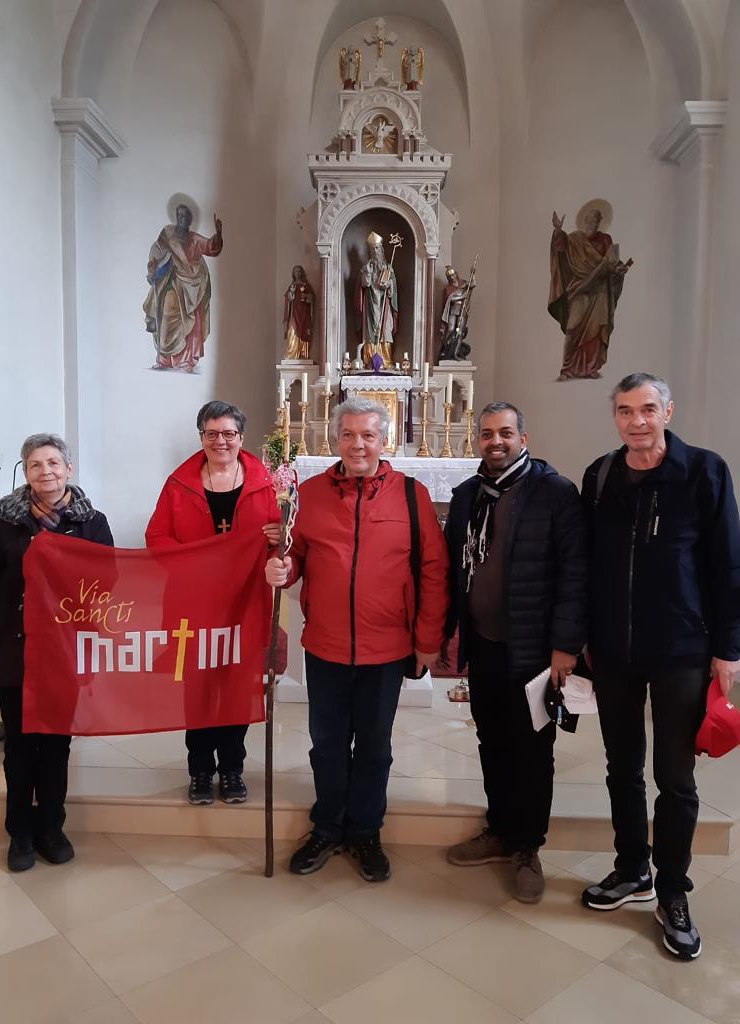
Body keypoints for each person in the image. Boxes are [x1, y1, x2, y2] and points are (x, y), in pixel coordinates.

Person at [580, 373, 740, 960]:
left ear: (667, 412)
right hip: (613, 651)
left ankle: (673, 890)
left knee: (674, 777)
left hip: (681, 648)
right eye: (625, 411)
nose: (637, 421)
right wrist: (582, 637)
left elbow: (727, 564)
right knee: (621, 767)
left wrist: (729, 648)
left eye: (647, 409)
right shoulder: (600, 476)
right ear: (615, 417)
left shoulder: (704, 471)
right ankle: (632, 870)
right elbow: (588, 564)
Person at [265, 397, 448, 882]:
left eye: (368, 435)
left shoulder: (411, 495)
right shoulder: (310, 494)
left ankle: (365, 830)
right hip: (325, 645)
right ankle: (327, 826)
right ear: (335, 440)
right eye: (348, 435)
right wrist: (283, 568)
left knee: (373, 747)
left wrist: (427, 640)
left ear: (383, 440)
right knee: (326, 745)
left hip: (386, 648)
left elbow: (433, 570)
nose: (358, 444)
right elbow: (295, 555)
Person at [443, 402, 587, 903]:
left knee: (532, 750)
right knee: (492, 740)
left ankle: (528, 846)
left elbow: (575, 574)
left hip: (534, 651)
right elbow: (453, 571)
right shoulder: (468, 495)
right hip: (484, 644)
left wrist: (565, 646)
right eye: (487, 434)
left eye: (505, 432)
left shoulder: (554, 492)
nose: (496, 442)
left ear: (523, 438)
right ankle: (501, 830)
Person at [0, 434, 113, 872]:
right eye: (35, 464)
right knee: (19, 744)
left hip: (65, 649)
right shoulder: (4, 520)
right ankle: (20, 832)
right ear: (26, 473)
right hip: (15, 648)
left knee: (55, 743)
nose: (45, 471)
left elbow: (108, 581)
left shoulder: (92, 521)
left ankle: (52, 827)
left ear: (68, 469)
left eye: (53, 462)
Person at [146, 401, 280, 806]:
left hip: (244, 603)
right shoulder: (179, 483)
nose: (220, 441)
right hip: (193, 604)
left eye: (228, 433)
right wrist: (195, 563)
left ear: (241, 437)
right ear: (201, 436)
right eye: (211, 433)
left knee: (238, 687)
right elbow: (157, 538)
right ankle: (201, 770)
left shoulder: (266, 483)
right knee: (198, 689)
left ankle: (233, 768)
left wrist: (278, 538)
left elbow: (283, 539)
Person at [548, 205, 630, 381]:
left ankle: (591, 367)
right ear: (585, 221)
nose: (594, 223)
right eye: (591, 219)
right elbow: (561, 249)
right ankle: (567, 368)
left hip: (600, 291)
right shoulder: (575, 239)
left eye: (597, 220)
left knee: (597, 329)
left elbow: (612, 262)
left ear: (600, 222)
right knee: (572, 327)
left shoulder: (606, 239)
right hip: (580, 288)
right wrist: (558, 231)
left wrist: (619, 270)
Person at [143, 202, 223, 372]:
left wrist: (219, 235)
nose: (181, 219)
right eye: (179, 216)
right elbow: (156, 251)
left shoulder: (194, 239)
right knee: (166, 313)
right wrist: (155, 267)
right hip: (171, 282)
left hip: (192, 286)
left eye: (185, 216)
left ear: (190, 220)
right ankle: (165, 359)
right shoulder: (168, 235)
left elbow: (211, 247)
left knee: (192, 319)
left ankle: (186, 360)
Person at [356, 231, 398, 367]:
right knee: (370, 330)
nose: (375, 252)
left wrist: (389, 284)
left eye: (377, 249)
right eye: (372, 249)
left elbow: (394, 288)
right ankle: (369, 360)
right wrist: (367, 275)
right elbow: (363, 285)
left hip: (384, 304)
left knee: (385, 329)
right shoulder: (367, 268)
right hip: (370, 304)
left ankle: (385, 360)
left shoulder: (388, 268)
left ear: (382, 250)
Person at [438, 264, 475, 361]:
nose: (452, 277)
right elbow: (450, 299)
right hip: (453, 310)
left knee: (460, 331)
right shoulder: (448, 288)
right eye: (449, 276)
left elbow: (472, 284)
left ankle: (455, 353)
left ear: (456, 274)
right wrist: (462, 297)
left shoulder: (463, 283)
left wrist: (473, 274)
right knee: (450, 330)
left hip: (462, 309)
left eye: (453, 275)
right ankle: (446, 350)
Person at [283, 265, 315, 360]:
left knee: (303, 330)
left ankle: (302, 353)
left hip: (303, 313)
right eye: (296, 271)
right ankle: (292, 353)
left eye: (299, 271)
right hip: (293, 313)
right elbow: (287, 297)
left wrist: (306, 297)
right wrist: (291, 294)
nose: (297, 273)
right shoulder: (292, 286)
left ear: (302, 273)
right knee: (292, 330)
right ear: (293, 274)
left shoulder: (306, 285)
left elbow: (312, 297)